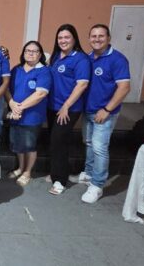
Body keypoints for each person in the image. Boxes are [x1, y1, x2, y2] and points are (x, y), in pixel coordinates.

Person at [79, 24, 130, 203]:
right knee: (88, 143)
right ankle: (89, 173)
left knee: (100, 147)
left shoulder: (118, 59)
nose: (97, 39)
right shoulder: (88, 58)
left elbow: (124, 88)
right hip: (88, 110)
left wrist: (107, 109)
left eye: (101, 36)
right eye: (93, 36)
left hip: (105, 112)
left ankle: (97, 185)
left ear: (108, 38)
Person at [47, 24, 90, 195]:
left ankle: (60, 181)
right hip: (52, 106)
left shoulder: (80, 59)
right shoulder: (57, 56)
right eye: (60, 38)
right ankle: (55, 173)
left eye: (67, 37)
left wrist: (66, 106)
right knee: (54, 141)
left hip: (68, 109)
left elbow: (82, 84)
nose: (63, 41)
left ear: (74, 39)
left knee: (59, 142)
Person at [5, 41, 51, 187]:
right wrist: (12, 104)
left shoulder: (43, 71)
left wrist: (19, 108)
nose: (31, 53)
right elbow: (6, 88)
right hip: (15, 114)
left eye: (35, 51)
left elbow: (40, 94)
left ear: (40, 54)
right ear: (23, 53)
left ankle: (27, 172)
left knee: (29, 145)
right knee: (17, 143)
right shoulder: (16, 69)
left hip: (32, 116)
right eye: (28, 50)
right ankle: (20, 168)